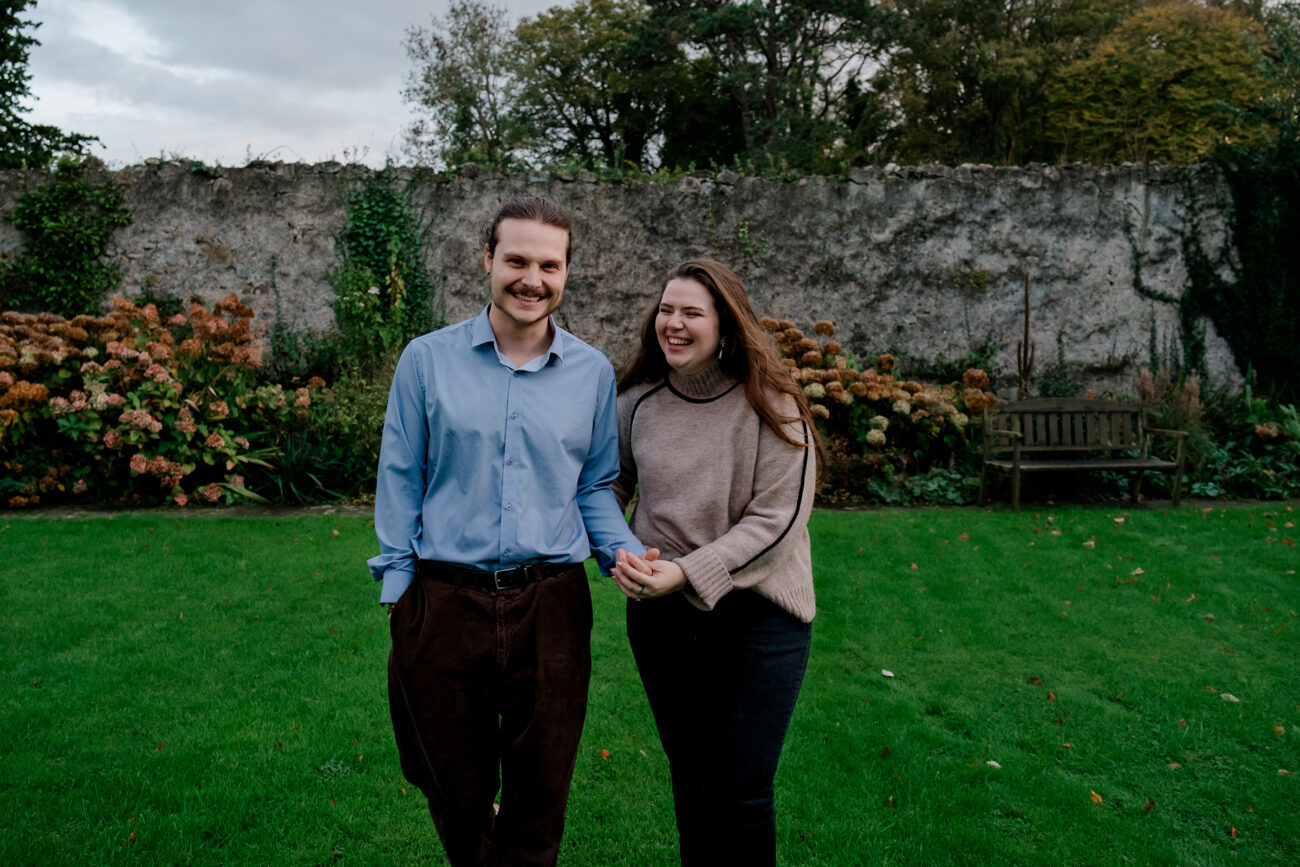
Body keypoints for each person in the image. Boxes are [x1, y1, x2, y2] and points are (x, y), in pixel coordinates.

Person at [368, 196, 651, 867]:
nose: (532, 279)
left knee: (541, 786)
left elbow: (594, 484)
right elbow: (401, 474)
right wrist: (400, 589)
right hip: (443, 600)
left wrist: (624, 552)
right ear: (488, 260)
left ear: (566, 272)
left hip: (551, 604)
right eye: (517, 260)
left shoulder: (591, 373)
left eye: (549, 265)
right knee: (449, 781)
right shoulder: (426, 360)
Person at [611, 258, 820, 866]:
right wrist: (617, 547)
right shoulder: (636, 401)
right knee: (692, 777)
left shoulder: (773, 403)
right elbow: (610, 484)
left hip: (759, 619)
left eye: (691, 313)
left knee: (741, 789)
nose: (673, 324)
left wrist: (688, 572)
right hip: (662, 618)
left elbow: (777, 521)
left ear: (726, 325)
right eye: (665, 310)